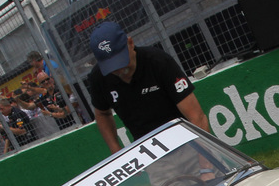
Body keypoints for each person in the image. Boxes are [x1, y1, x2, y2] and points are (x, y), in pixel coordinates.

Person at [83, 20, 208, 153]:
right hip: (151, 155)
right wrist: (117, 151)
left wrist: (206, 166)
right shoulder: (98, 77)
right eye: (112, 67)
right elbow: (102, 113)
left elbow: (197, 117)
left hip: (190, 142)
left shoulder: (158, 62)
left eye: (122, 62)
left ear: (130, 43)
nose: (120, 71)